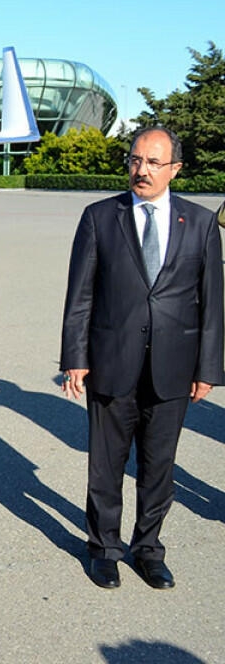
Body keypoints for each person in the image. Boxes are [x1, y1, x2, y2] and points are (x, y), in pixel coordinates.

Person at [60, 127, 222, 590]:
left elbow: (212, 302)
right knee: (106, 465)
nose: (141, 170)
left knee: (159, 467)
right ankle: (104, 548)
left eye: (153, 162)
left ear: (175, 169)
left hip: (174, 365)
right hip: (112, 359)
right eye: (135, 160)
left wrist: (208, 368)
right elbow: (80, 295)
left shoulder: (201, 222)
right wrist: (75, 356)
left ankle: (148, 549)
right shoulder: (99, 217)